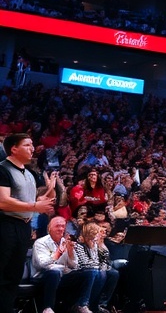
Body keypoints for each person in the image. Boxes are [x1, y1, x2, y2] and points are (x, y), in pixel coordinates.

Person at [0, 132, 57, 313]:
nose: (32, 149)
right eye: (27, 145)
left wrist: (49, 191)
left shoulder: (30, 173)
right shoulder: (3, 169)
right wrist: (34, 206)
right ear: (13, 149)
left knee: (14, 275)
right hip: (6, 225)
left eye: (32, 145)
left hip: (24, 227)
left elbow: (33, 201)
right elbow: (2, 201)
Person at [32, 216, 94, 313]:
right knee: (54, 272)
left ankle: (81, 305)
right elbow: (42, 264)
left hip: (63, 275)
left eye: (63, 226)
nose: (61, 229)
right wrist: (58, 254)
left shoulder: (65, 241)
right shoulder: (40, 242)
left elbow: (74, 265)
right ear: (49, 228)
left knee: (89, 273)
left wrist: (70, 251)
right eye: (57, 226)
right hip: (43, 276)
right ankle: (48, 308)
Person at [67, 222, 118, 313]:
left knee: (109, 272)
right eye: (98, 233)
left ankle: (96, 304)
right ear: (91, 234)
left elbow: (101, 259)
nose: (100, 235)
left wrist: (101, 244)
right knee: (96, 272)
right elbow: (84, 263)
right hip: (79, 270)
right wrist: (98, 265)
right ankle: (82, 304)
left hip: (92, 268)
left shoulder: (94, 244)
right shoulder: (79, 245)